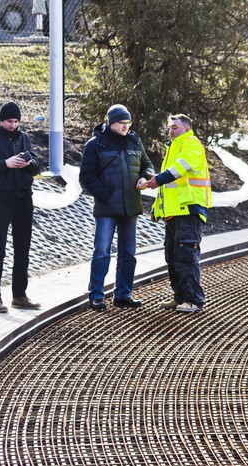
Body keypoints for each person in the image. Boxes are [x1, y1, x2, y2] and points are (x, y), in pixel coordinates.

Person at [79, 104, 154, 311]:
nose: (126, 127)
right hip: (106, 209)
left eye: (128, 123)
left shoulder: (134, 141)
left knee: (128, 253)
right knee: (102, 252)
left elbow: (147, 165)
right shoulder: (95, 145)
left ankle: (123, 294)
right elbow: (86, 176)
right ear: (111, 123)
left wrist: (144, 177)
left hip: (130, 207)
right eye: (122, 123)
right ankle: (95, 295)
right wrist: (105, 195)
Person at [0, 101, 42, 313]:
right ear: (0, 120)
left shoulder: (24, 138)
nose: (13, 125)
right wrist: (6, 163)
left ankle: (19, 295)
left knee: (22, 248)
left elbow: (37, 167)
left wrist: (29, 163)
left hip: (23, 199)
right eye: (9, 121)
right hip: (0, 199)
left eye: (16, 121)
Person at [140, 114, 211, 313]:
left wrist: (157, 180)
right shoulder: (173, 148)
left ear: (186, 128)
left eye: (175, 127)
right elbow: (169, 185)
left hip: (189, 210)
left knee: (185, 256)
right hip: (175, 212)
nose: (171, 131)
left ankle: (193, 300)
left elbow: (178, 171)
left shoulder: (191, 144)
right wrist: (157, 209)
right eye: (170, 127)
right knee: (172, 256)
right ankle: (180, 297)